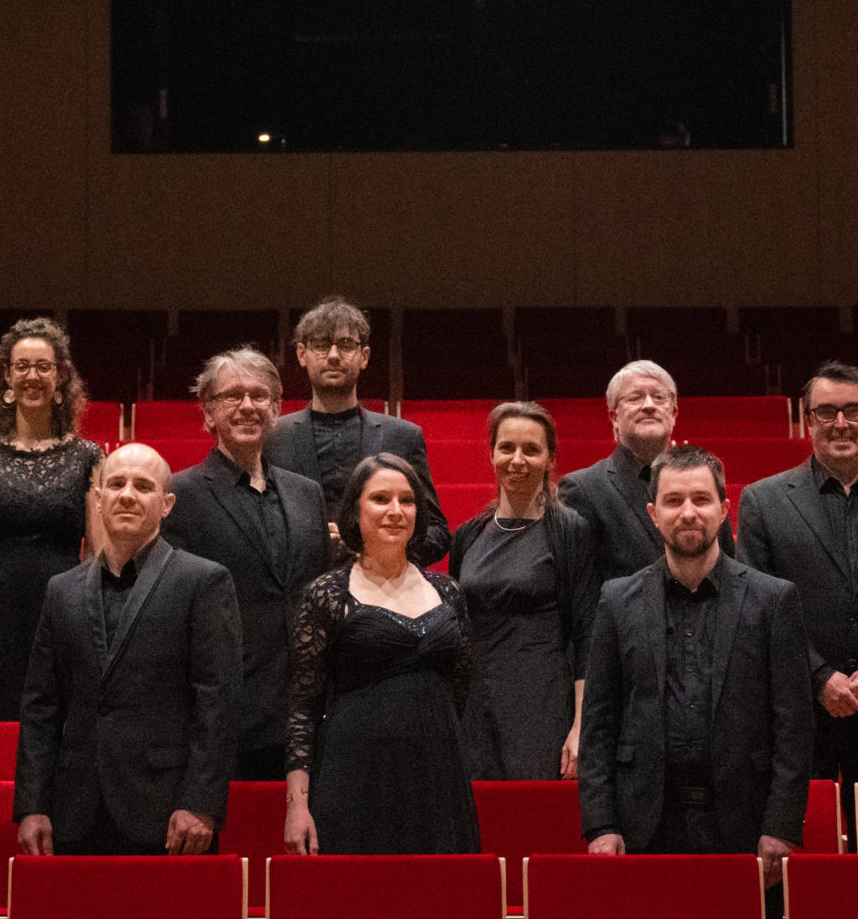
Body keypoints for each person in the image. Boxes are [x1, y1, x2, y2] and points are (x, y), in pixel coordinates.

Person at [577, 444, 815, 913]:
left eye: (702, 500)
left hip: (743, 824)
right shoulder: (617, 599)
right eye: (674, 501)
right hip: (643, 822)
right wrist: (601, 826)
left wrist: (781, 826)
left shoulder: (773, 599)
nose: (688, 513)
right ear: (653, 513)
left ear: (725, 509)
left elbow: (794, 726)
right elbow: (599, 723)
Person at [736, 362, 858, 842]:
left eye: (853, 411)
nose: (840, 423)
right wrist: (819, 676)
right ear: (807, 421)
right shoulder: (762, 502)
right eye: (825, 412)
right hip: (798, 711)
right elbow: (757, 607)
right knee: (807, 854)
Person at [13, 444, 241, 855]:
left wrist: (200, 804)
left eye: (143, 486)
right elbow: (40, 706)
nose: (127, 495)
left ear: (167, 504)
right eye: (116, 484)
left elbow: (217, 703)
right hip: (74, 812)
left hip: (170, 812)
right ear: (98, 499)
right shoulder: (60, 590)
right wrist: (32, 805)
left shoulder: (204, 581)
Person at [284, 453, 480, 855]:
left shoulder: (449, 593)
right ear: (355, 511)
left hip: (438, 774)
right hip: (354, 774)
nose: (396, 511)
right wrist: (297, 806)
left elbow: (461, 691)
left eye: (407, 500)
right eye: (380, 499)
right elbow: (303, 707)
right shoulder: (326, 595)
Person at [163, 348, 334, 781]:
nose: (247, 407)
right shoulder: (181, 496)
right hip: (227, 708)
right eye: (232, 396)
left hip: (305, 707)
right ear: (208, 412)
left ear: (276, 409)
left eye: (260, 396)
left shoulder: (306, 494)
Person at [0, 318, 103, 724]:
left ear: (60, 379)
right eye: (21, 366)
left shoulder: (89, 457)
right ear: (6, 377)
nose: (32, 376)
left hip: (63, 609)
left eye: (43, 366)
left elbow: (100, 552)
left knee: (56, 719)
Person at [449, 401, 597, 782]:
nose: (517, 460)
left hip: (541, 702)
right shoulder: (469, 534)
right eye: (507, 447)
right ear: (492, 453)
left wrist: (581, 726)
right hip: (476, 702)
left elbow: (586, 634)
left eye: (531, 450)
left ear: (550, 459)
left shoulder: (570, 531)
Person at [264, 296, 449, 565]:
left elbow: (436, 531)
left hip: (382, 592)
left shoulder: (403, 436)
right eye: (321, 345)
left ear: (364, 357)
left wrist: (376, 552)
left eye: (346, 345)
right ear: (302, 354)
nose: (334, 355)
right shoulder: (271, 437)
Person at [559, 360, 729, 581]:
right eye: (635, 397)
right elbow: (579, 588)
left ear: (674, 413)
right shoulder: (582, 489)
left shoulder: (706, 477)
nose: (649, 405)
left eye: (659, 397)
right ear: (614, 416)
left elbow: (727, 568)